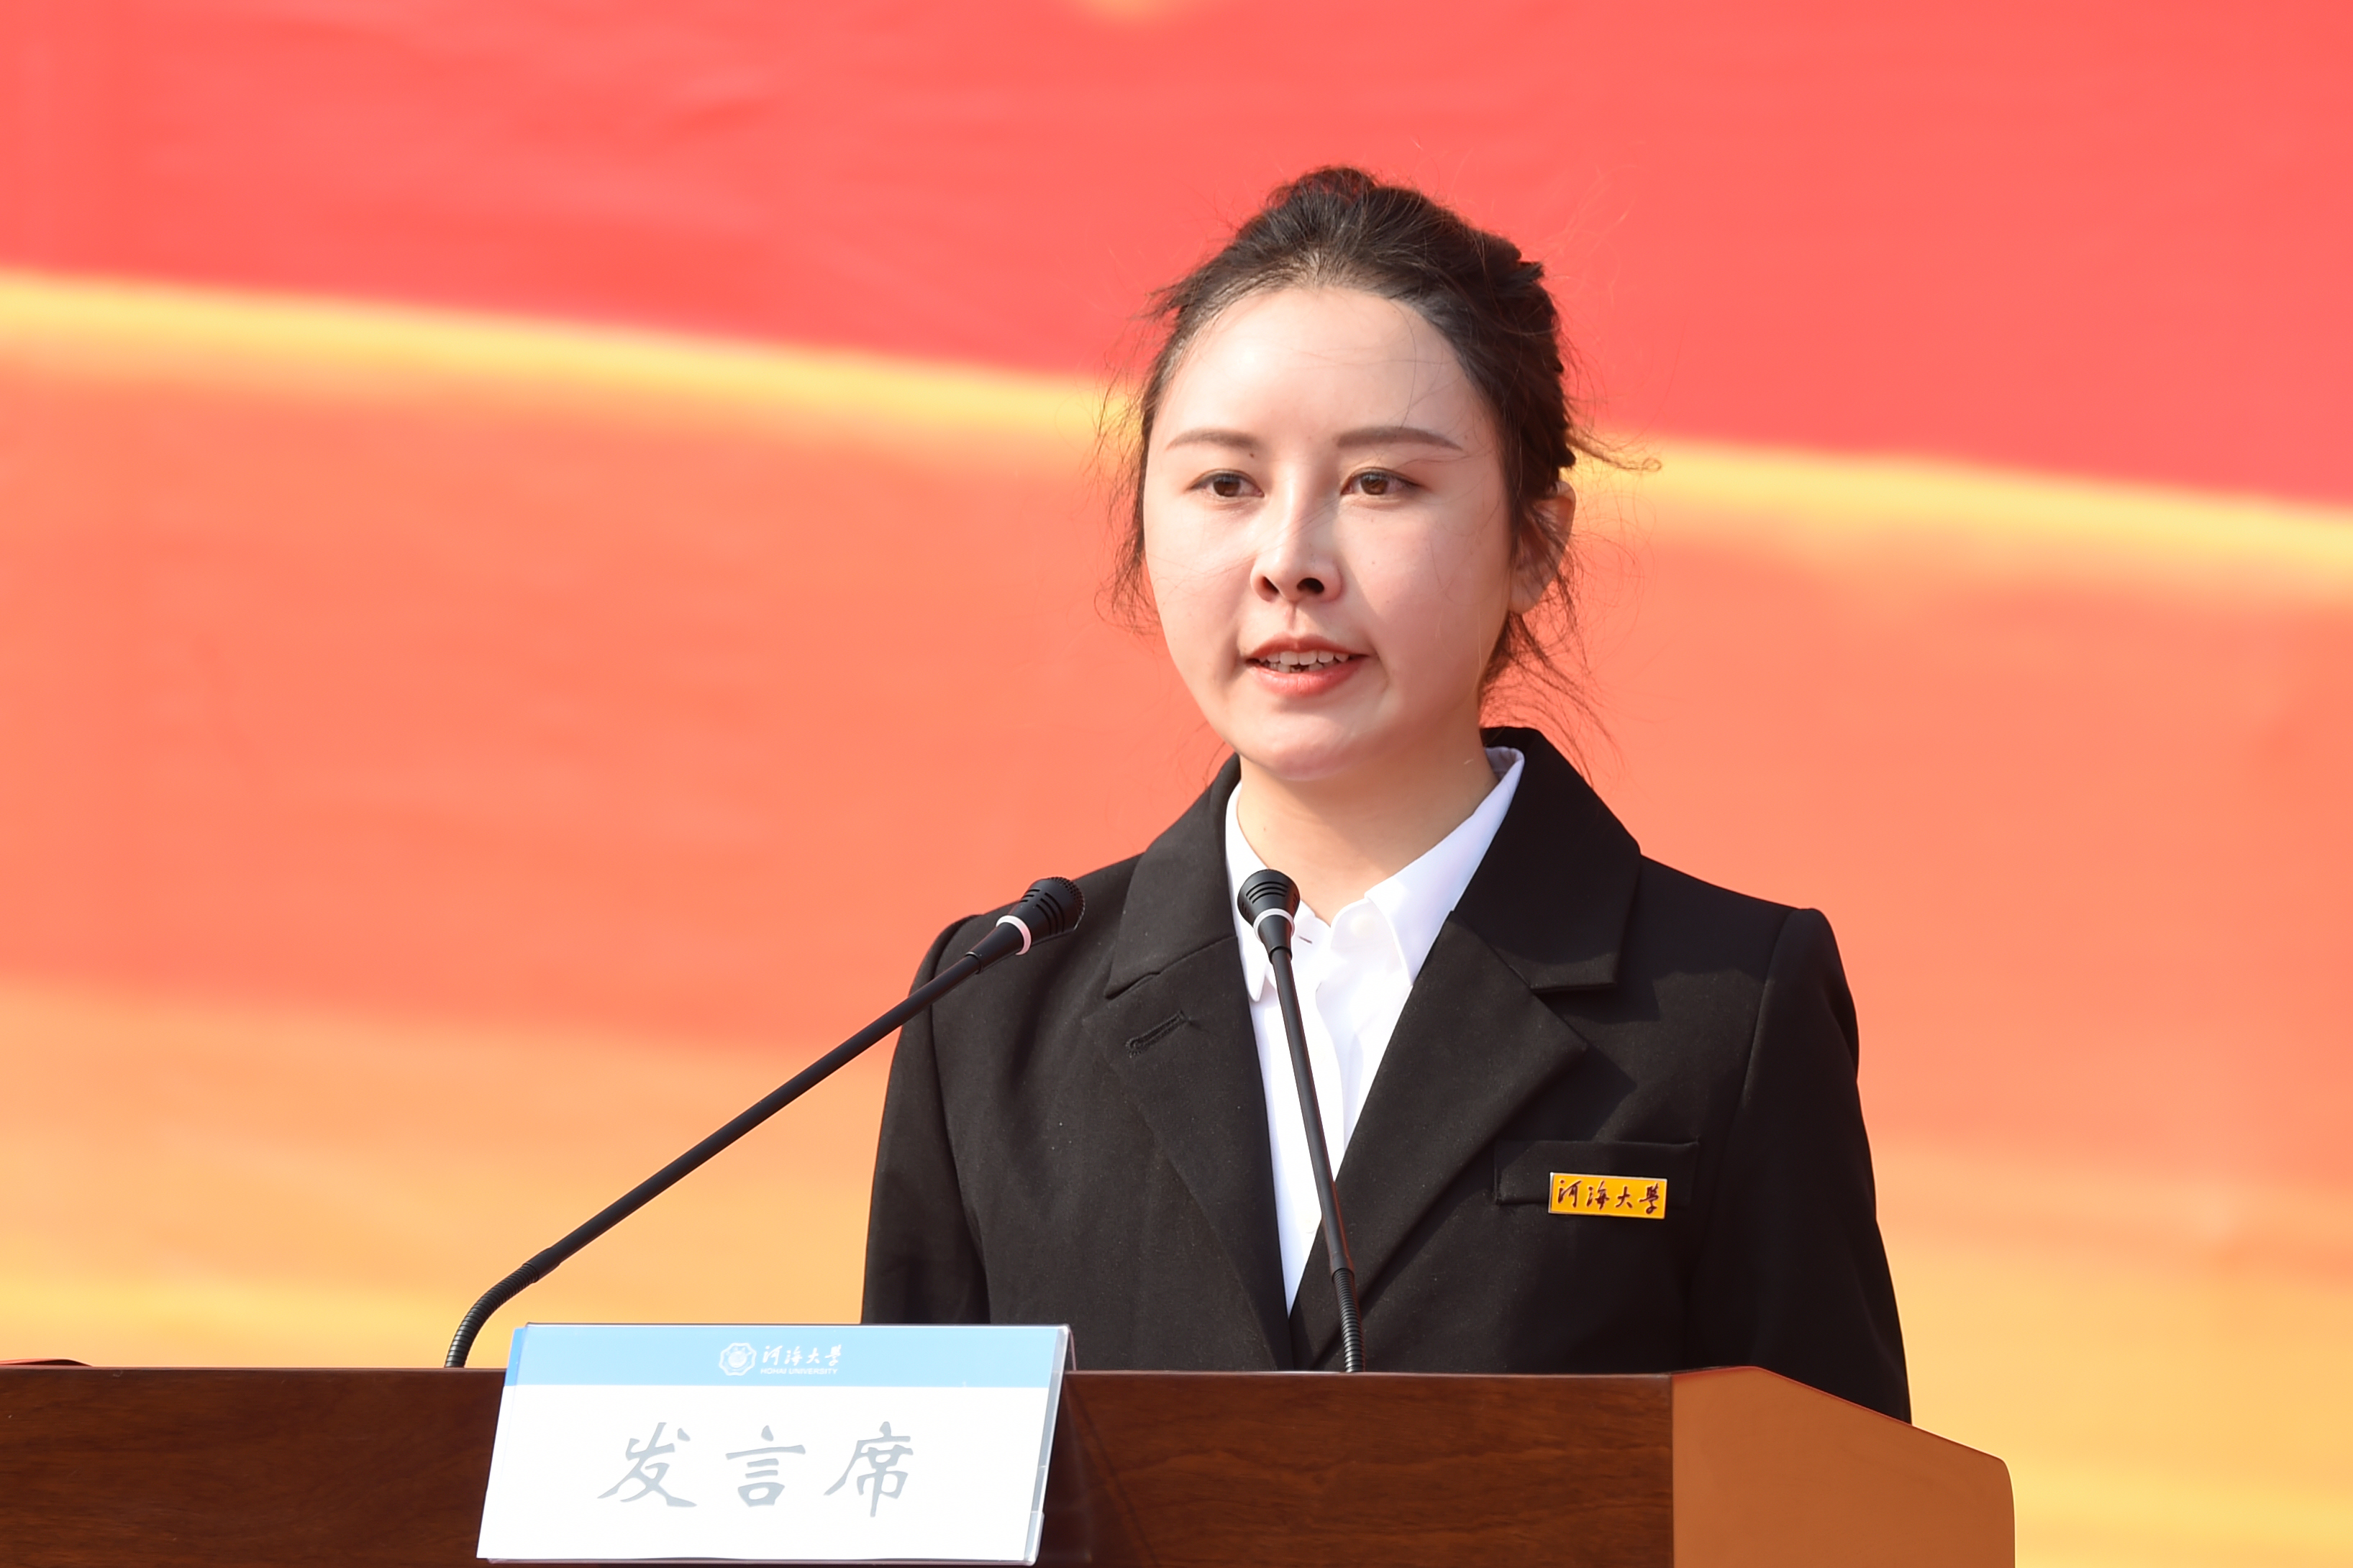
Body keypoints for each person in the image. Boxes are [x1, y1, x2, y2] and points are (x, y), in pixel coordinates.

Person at [861, 168, 1908, 1421]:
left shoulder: (1726, 1012)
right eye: (1226, 484)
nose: (1290, 563)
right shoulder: (992, 1011)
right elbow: (911, 1487)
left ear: (1534, 542)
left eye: (1381, 485)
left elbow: (1836, 1503)